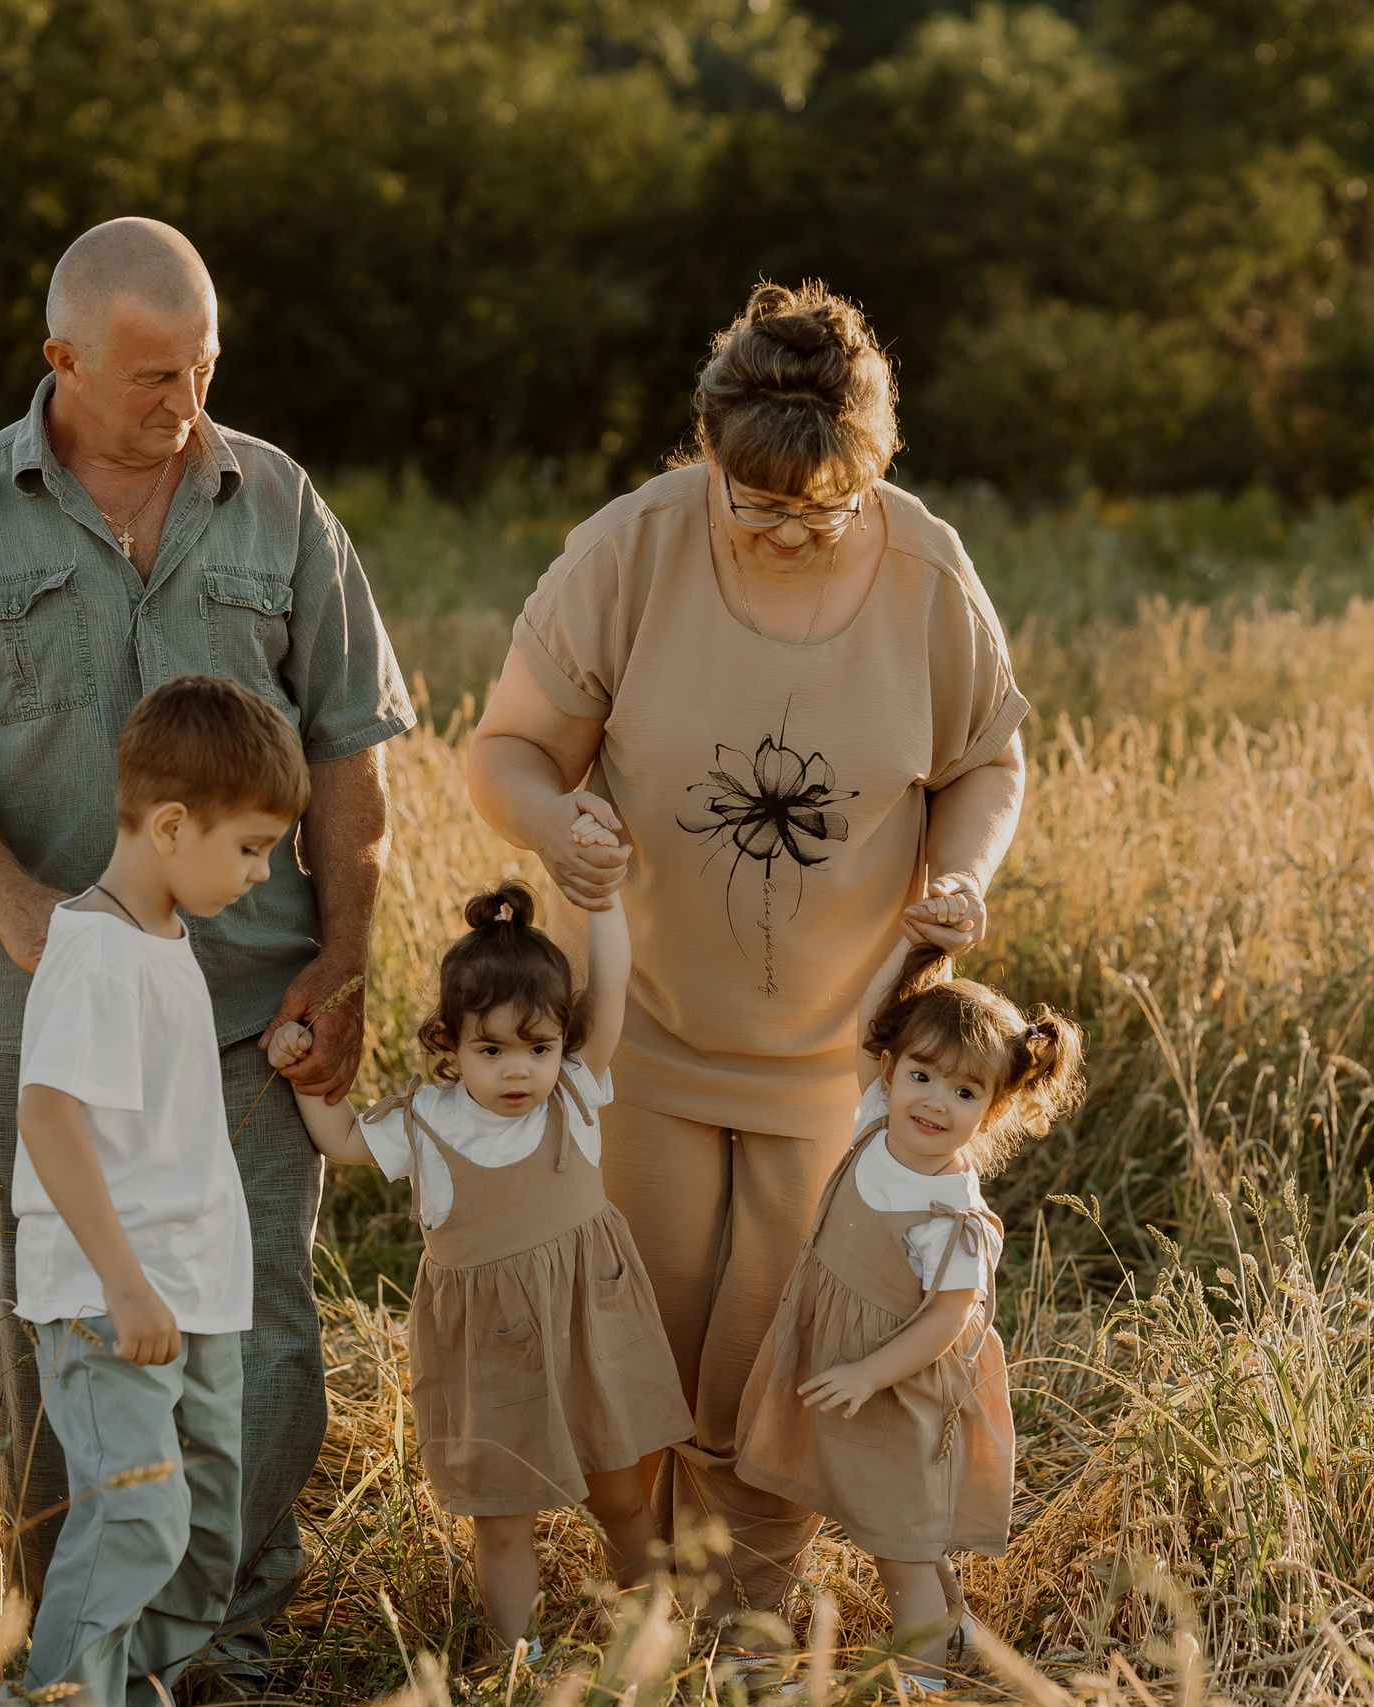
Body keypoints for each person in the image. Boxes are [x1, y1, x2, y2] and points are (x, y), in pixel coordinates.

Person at [0, 215, 415, 1679]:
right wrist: (42, 923)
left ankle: (229, 1636)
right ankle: (78, 1643)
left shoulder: (279, 502)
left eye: (205, 368)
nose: (186, 403)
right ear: (62, 360)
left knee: (262, 1332)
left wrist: (342, 958)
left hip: (246, 1013)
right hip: (36, 1016)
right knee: (48, 1323)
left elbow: (352, 747)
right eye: (153, 375)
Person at [464, 278, 1032, 1618]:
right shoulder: (630, 548)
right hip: (641, 1036)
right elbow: (503, 751)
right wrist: (559, 820)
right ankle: (642, 1611)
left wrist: (961, 869)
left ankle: (747, 1626)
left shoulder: (929, 570)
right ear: (706, 454)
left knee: (776, 1358)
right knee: (644, 1349)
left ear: (875, 468)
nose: (785, 531)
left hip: (842, 1062)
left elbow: (989, 761)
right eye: (752, 503)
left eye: (819, 508)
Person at [265, 852, 692, 1664]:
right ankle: (516, 1655)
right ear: (448, 1043)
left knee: (624, 1496)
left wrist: (599, 899)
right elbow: (344, 1137)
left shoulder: (575, 1088)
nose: (517, 1069)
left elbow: (617, 974)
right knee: (503, 1517)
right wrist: (300, 1068)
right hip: (491, 1352)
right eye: (489, 1050)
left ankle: (650, 1630)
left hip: (590, 1329)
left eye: (536, 1046)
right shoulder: (427, 1122)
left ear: (562, 1040)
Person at [12, 676, 308, 1704]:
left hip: (197, 1292)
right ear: (172, 825)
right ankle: (60, 1699)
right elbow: (47, 1118)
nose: (263, 874)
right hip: (115, 1294)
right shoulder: (94, 951)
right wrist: (125, 1284)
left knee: (205, 1527)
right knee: (137, 1516)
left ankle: (136, 1691)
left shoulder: (167, 941)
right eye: (251, 847)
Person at [735, 934, 1084, 1693]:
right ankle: (951, 1630)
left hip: (899, 1388)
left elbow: (946, 1323)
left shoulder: (950, 1213)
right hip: (843, 1360)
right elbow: (872, 1014)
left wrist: (868, 1372)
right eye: (921, 1075)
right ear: (889, 1069)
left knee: (899, 1546)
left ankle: (920, 1675)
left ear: (992, 1110)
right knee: (885, 1524)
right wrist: (914, 946)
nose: (934, 1101)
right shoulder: (874, 1119)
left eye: (964, 1093)